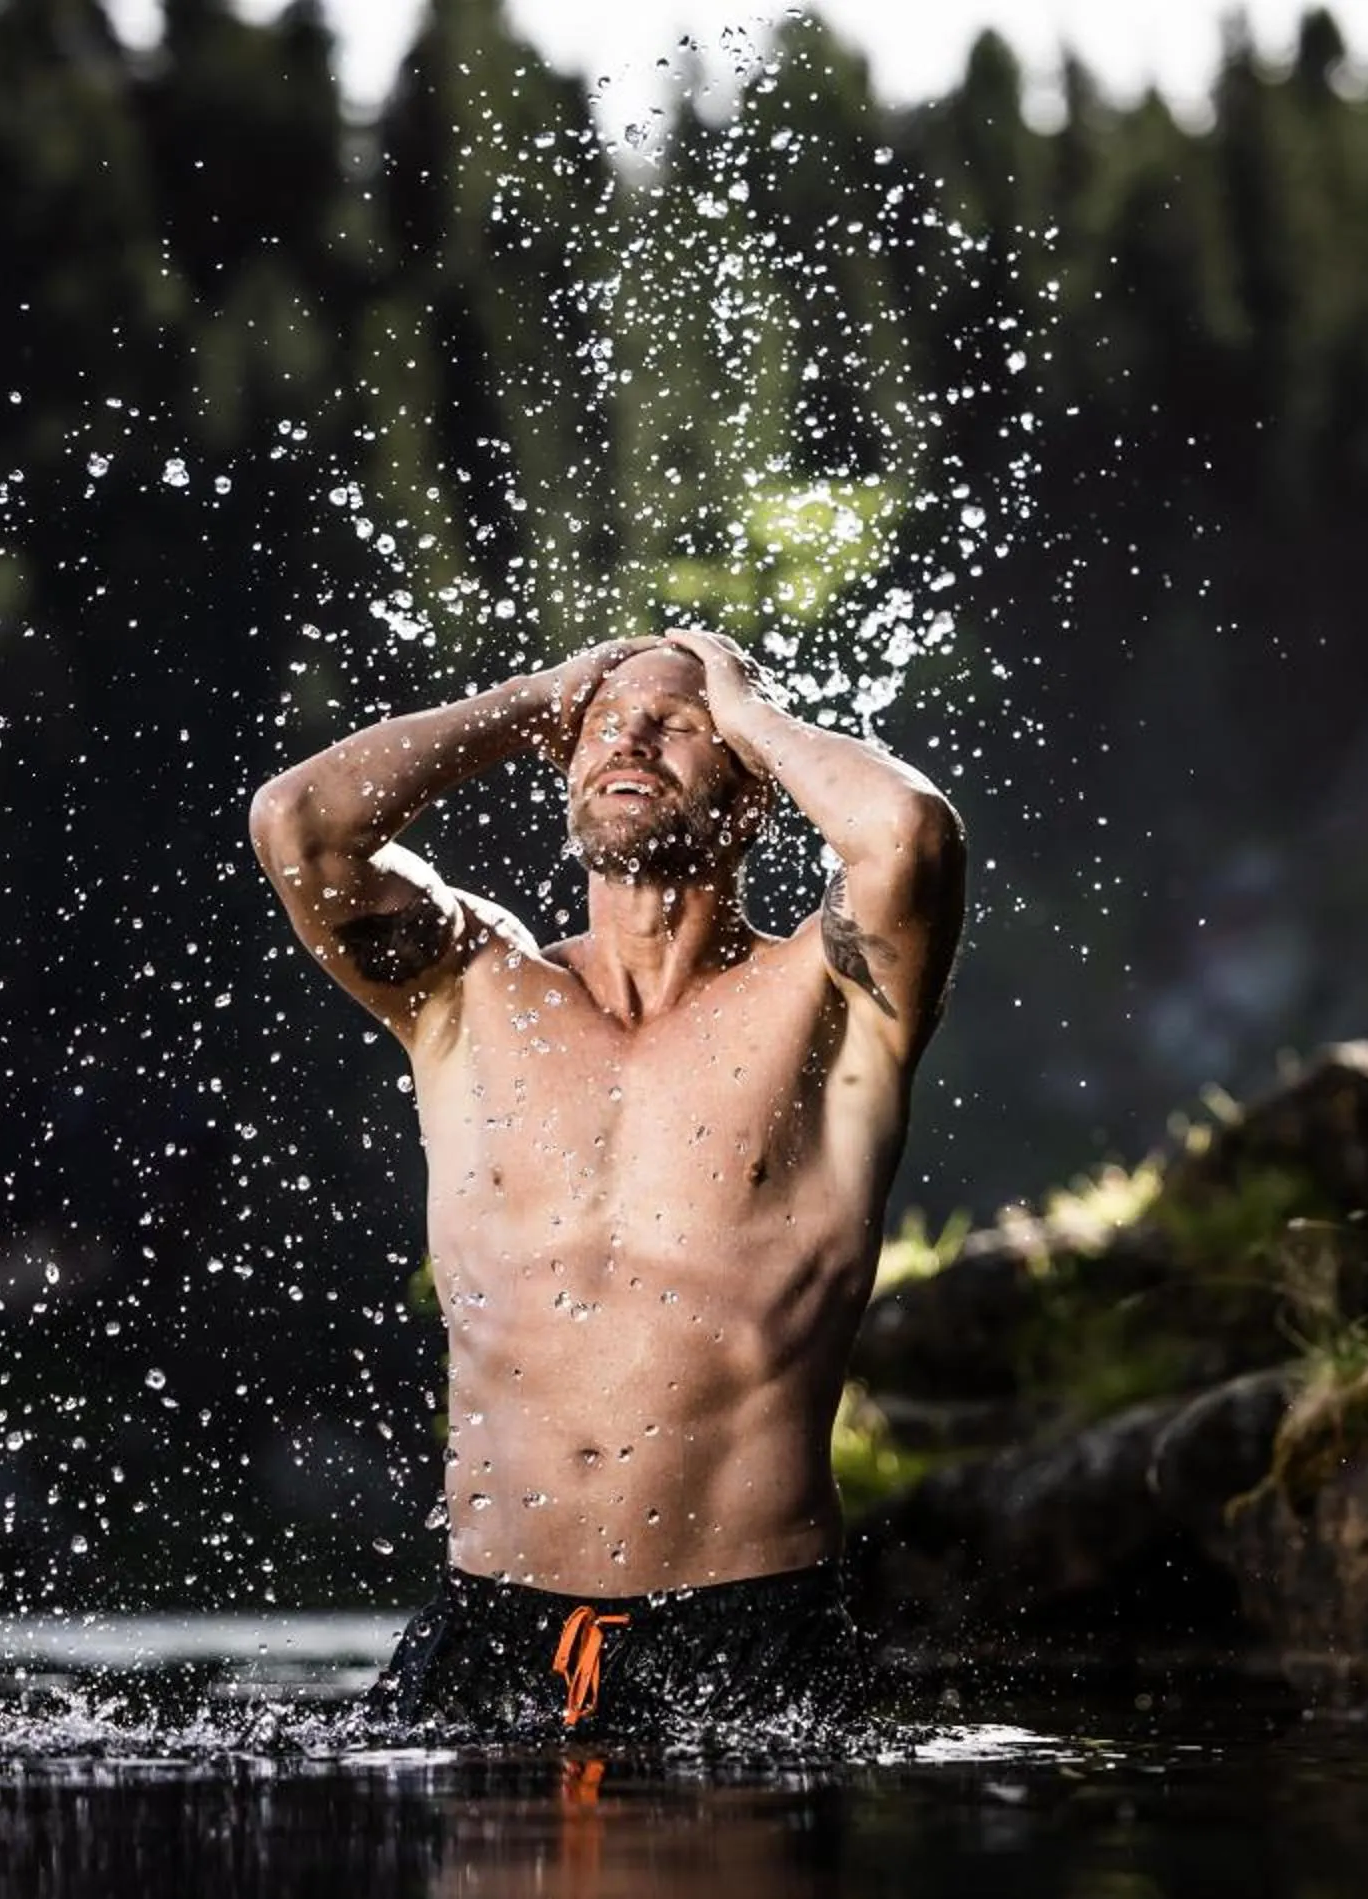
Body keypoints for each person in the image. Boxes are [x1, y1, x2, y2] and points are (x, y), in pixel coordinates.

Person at [247, 629, 964, 1737]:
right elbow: (297, 824)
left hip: (745, 1632)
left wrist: (754, 712)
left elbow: (907, 835)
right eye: (602, 721)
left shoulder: (831, 999)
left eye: (677, 721)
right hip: (489, 1630)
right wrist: (532, 697)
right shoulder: (469, 987)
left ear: (753, 792)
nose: (628, 732)